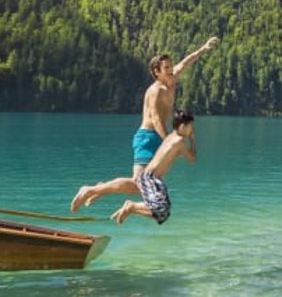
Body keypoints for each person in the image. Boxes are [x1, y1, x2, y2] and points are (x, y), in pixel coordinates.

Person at [71, 36, 218, 212]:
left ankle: (100, 189)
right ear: (157, 72)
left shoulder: (172, 79)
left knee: (140, 186)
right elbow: (156, 119)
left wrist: (203, 48)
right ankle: (91, 189)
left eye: (171, 66)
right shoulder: (154, 91)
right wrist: (168, 142)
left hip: (157, 138)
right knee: (138, 184)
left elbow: (186, 62)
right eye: (166, 68)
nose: (171, 69)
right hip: (148, 138)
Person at [111, 109, 197, 225]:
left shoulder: (171, 137)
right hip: (149, 177)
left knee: (164, 214)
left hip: (154, 179)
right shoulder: (179, 142)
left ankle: (132, 209)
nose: (191, 129)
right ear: (182, 126)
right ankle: (132, 205)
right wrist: (192, 140)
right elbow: (192, 159)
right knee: (160, 208)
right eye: (190, 126)